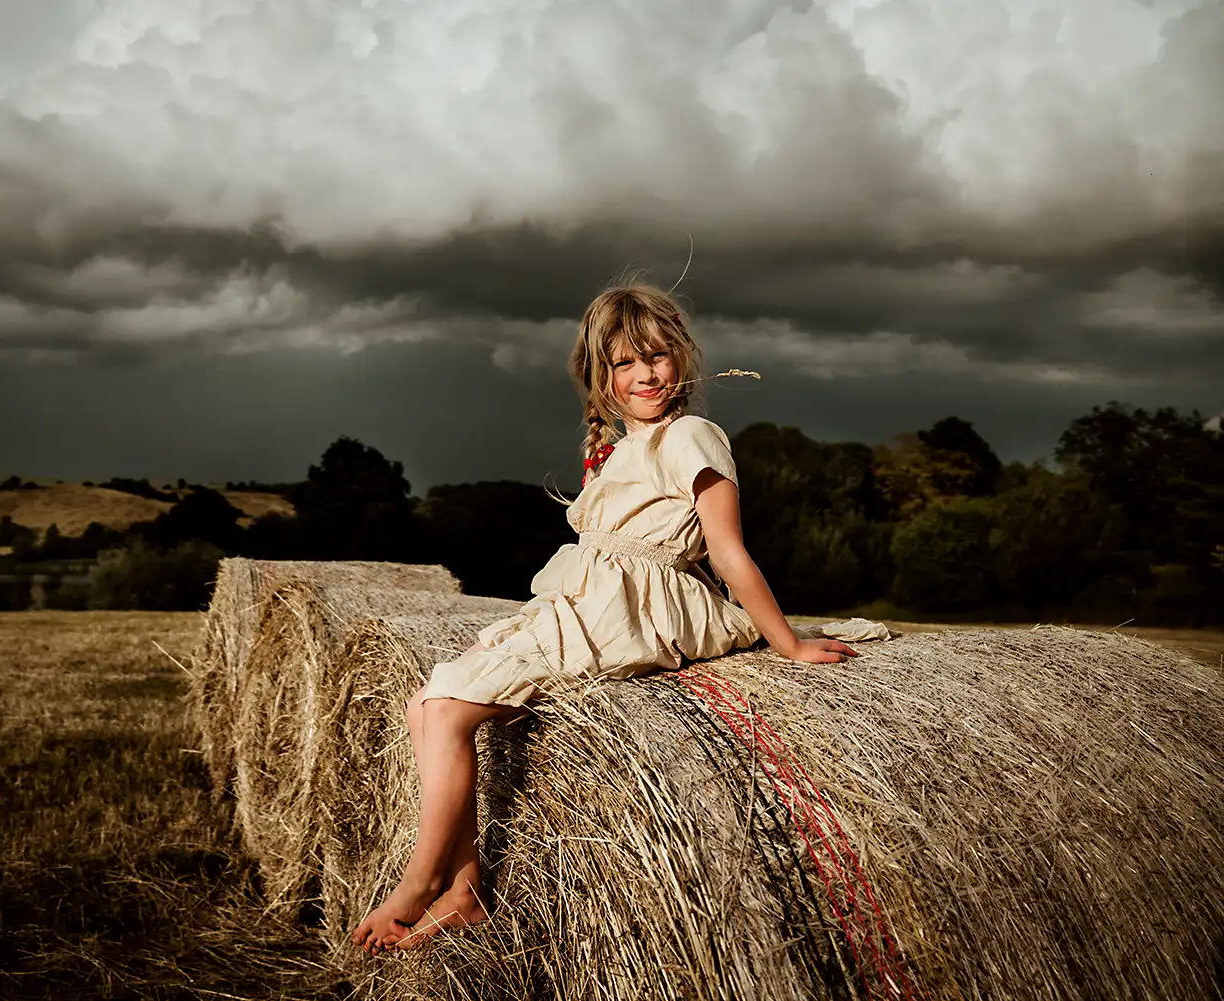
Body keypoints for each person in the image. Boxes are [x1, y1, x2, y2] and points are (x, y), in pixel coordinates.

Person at [350, 281, 858, 955]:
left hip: (638, 609)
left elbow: (729, 552)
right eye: (625, 362)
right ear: (603, 377)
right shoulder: (624, 448)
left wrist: (788, 643)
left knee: (447, 710)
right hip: (591, 599)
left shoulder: (693, 436)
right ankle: (465, 889)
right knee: (427, 702)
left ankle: (419, 884)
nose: (645, 373)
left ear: (682, 357)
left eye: (657, 355)